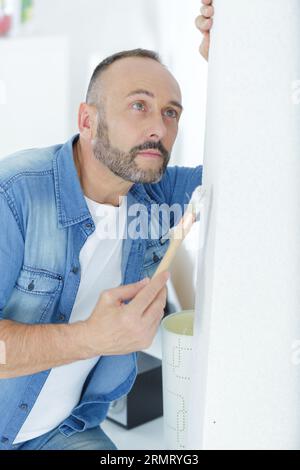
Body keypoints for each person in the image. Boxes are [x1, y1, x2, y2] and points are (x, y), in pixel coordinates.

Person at [0, 5, 215, 452]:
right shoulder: (15, 195)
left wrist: (234, 60)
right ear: (87, 120)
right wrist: (92, 338)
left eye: (172, 112)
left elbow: (263, 164)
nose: (159, 126)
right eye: (139, 105)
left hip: (64, 431)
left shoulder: (156, 189)